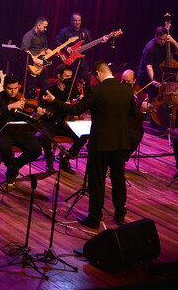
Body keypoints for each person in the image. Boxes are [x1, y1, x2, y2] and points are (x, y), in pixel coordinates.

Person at [43, 61, 137, 228]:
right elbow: (133, 116)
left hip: (101, 143)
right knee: (118, 179)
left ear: (98, 74)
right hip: (121, 143)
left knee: (97, 181)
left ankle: (94, 218)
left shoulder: (96, 90)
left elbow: (75, 110)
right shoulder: (127, 91)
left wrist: (54, 101)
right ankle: (120, 214)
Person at [0, 74, 46, 184]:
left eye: (15, 88)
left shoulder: (21, 98)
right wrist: (10, 106)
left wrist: (37, 116)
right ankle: (13, 169)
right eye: (10, 89)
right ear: (4, 87)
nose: (13, 92)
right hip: (0, 131)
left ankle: (13, 167)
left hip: (19, 131)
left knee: (36, 150)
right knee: (3, 147)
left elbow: (27, 120)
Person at [38, 64, 89, 174]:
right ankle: (49, 160)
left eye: (71, 76)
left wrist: (75, 103)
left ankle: (66, 159)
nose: (70, 79)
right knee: (44, 137)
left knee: (83, 136)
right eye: (67, 76)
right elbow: (43, 108)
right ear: (59, 76)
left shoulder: (74, 91)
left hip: (66, 123)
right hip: (51, 122)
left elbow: (77, 110)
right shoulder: (48, 90)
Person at [55, 12, 94, 83]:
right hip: (68, 60)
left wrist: (102, 41)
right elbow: (56, 41)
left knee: (87, 81)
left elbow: (91, 46)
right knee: (68, 82)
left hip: (82, 62)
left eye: (79, 20)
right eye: (75, 20)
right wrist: (66, 48)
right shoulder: (64, 31)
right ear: (71, 21)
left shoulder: (85, 32)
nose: (77, 22)